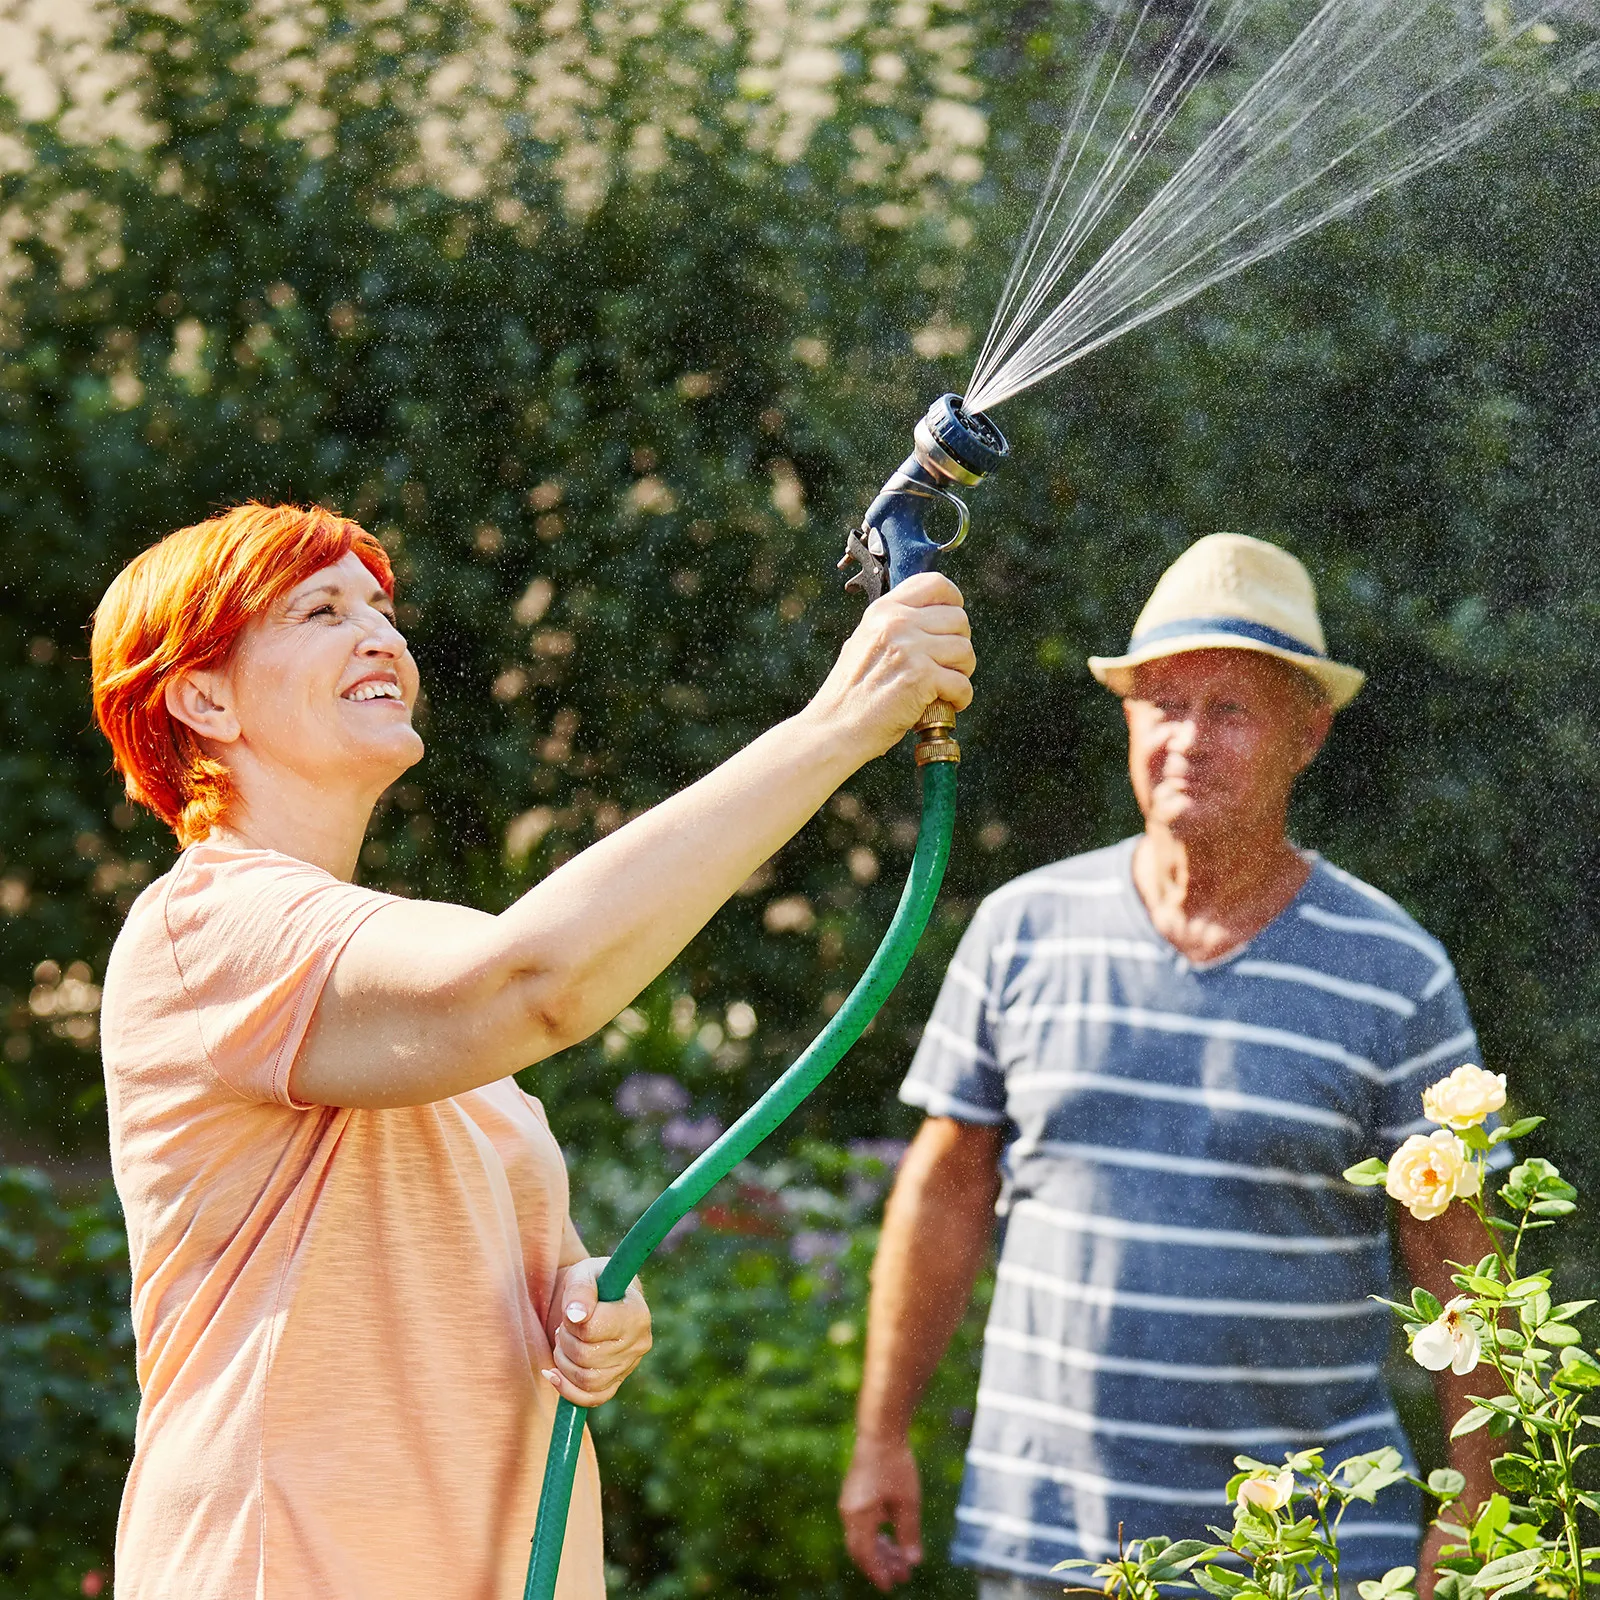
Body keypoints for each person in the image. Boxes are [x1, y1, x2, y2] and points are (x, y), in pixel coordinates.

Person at [90, 501, 974, 1600]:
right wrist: (837, 724)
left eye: (382, 608)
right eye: (320, 610)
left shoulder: (387, 982)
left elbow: (494, 1210)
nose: (382, 637)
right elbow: (532, 982)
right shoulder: (209, 928)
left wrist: (584, 1308)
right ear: (202, 696)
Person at [839, 533, 1504, 1599]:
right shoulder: (1021, 930)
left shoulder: (1395, 974)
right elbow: (944, 1187)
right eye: (1162, 702)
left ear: (1306, 732)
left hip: (1305, 1557)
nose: (1187, 738)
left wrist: (1479, 1506)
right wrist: (880, 1432)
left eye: (1230, 709)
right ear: (1126, 718)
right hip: (1046, 1540)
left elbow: (1459, 1256)